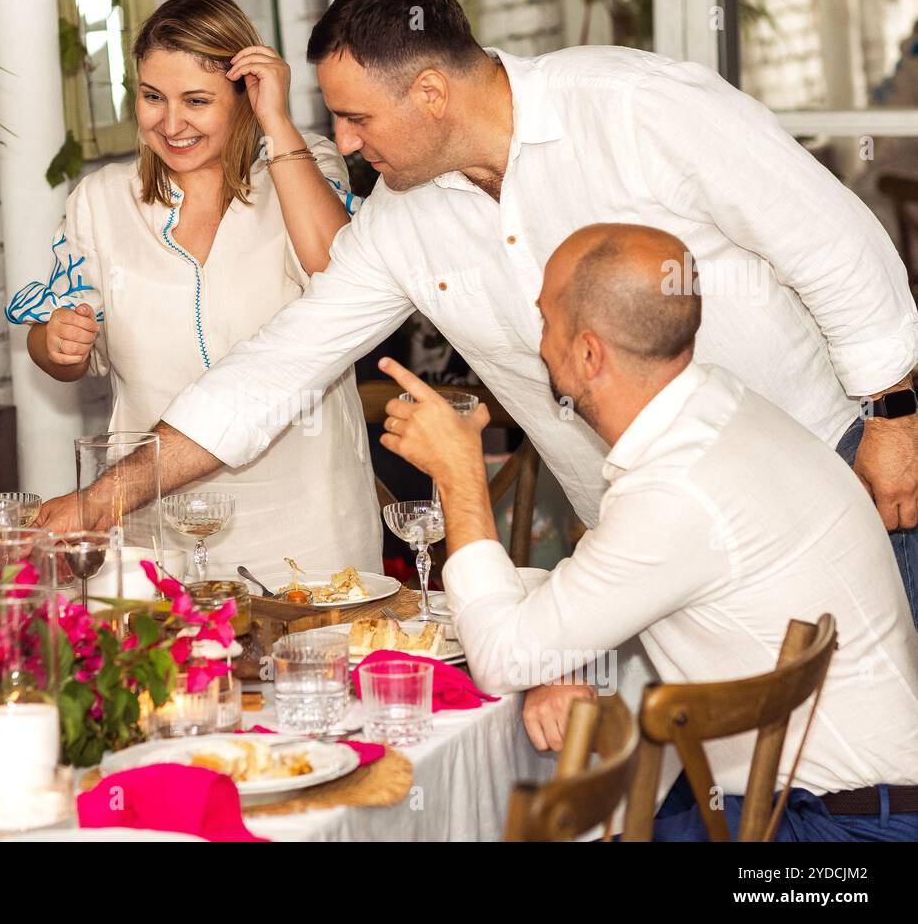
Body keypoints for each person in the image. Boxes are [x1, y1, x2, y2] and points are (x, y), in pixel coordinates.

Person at [40, 0, 918, 624]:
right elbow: (273, 369)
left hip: (833, 460)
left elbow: (833, 242)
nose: (342, 144)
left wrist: (894, 417)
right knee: (734, 766)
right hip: (642, 525)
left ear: (429, 92)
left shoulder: (636, 107)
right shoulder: (400, 221)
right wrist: (98, 501)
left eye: (354, 120)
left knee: (879, 760)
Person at [380, 223, 918, 841]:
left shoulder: (677, 485)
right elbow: (624, 565)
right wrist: (561, 653)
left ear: (588, 354)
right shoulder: (722, 408)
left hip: (838, 834)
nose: (539, 341)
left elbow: (502, 658)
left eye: (545, 320)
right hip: (828, 797)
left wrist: (460, 480)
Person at [10, 0, 380, 576]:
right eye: (153, 97)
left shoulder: (302, 165)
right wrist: (54, 342)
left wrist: (277, 122)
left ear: (244, 97)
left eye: (197, 100)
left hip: (308, 527)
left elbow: (344, 277)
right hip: (156, 533)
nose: (171, 122)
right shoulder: (101, 202)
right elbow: (60, 356)